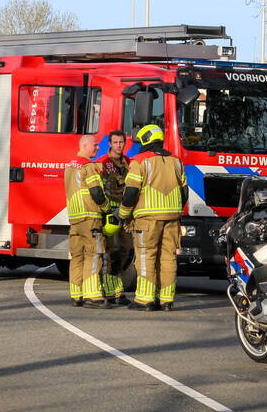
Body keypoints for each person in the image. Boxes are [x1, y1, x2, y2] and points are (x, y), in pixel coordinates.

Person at [118, 124, 188, 312]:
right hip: (172, 218)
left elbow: (131, 193)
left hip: (147, 219)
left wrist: (123, 214)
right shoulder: (176, 161)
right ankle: (166, 300)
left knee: (145, 256)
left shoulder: (139, 161)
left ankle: (145, 299)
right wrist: (177, 211)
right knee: (168, 258)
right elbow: (184, 192)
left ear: (146, 140)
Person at [64, 135, 110, 308]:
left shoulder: (70, 166)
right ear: (85, 145)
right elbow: (97, 192)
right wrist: (107, 209)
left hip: (75, 219)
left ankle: (77, 295)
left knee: (77, 257)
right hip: (90, 217)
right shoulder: (88, 167)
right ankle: (93, 296)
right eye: (95, 145)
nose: (98, 148)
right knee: (93, 255)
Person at [96, 130, 132, 306]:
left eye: (121, 142)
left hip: (125, 215)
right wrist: (104, 213)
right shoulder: (103, 163)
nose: (119, 145)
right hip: (110, 215)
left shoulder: (128, 163)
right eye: (116, 142)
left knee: (127, 251)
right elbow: (97, 189)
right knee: (113, 253)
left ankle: (117, 289)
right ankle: (111, 291)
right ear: (110, 144)